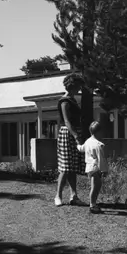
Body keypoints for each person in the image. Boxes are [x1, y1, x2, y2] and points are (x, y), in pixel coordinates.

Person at [54, 73, 86, 206]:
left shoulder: (73, 100)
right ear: (73, 86)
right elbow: (67, 122)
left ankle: (74, 196)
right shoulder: (65, 101)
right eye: (78, 85)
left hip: (74, 133)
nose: (80, 88)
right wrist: (76, 136)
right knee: (66, 167)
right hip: (68, 133)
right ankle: (58, 196)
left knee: (73, 167)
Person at [78, 120, 109, 214]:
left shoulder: (88, 141)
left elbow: (81, 148)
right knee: (96, 186)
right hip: (95, 167)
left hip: (89, 167)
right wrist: (104, 170)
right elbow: (101, 159)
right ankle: (92, 205)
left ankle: (93, 204)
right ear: (98, 132)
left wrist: (77, 144)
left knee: (95, 186)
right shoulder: (98, 145)